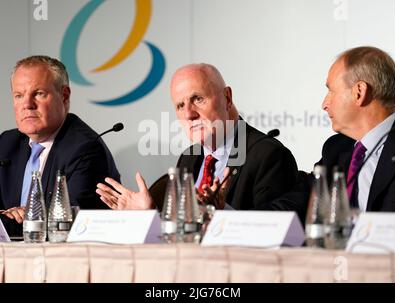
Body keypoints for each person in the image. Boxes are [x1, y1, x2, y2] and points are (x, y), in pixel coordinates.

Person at [96, 63, 303, 215]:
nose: (188, 114)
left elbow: (276, 231)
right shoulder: (189, 158)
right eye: (180, 106)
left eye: (198, 99)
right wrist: (151, 214)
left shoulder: (268, 155)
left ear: (227, 98)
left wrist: (221, 214)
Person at [0, 55, 120, 235]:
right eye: (18, 95)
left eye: (38, 94)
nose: (27, 104)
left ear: (64, 96)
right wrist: (5, 215)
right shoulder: (9, 143)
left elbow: (64, 224)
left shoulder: (85, 148)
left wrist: (17, 219)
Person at [318, 46, 395, 211]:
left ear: (359, 92)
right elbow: (306, 196)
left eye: (331, 91)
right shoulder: (335, 149)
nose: (324, 105)